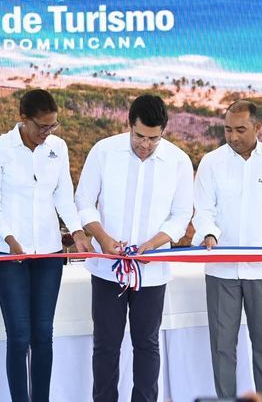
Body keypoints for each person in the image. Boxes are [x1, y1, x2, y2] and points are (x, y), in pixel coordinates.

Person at [75, 94, 193, 402]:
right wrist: (103, 238)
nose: (145, 144)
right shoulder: (104, 151)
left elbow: (182, 214)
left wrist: (153, 245)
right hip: (106, 268)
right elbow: (84, 201)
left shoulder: (178, 161)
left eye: (154, 138)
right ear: (129, 124)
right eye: (140, 135)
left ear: (163, 131)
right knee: (106, 345)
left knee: (147, 344)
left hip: (152, 273)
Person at [0, 89, 92, 402]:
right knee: (19, 337)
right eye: (41, 127)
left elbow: (63, 196)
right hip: (8, 256)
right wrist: (10, 239)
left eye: (52, 126)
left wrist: (78, 231)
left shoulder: (58, 147)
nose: (47, 133)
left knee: (43, 335)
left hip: (48, 254)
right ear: (23, 119)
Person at [192, 100, 262, 401]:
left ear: (258, 127)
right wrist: (209, 233)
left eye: (240, 129)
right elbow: (202, 209)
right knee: (222, 346)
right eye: (227, 129)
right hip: (221, 270)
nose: (233, 136)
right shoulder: (211, 162)